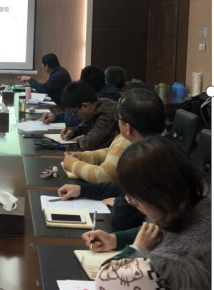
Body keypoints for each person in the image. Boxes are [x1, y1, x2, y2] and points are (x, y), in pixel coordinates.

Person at [81, 138, 210, 290]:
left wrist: (136, 248)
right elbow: (159, 231)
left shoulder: (179, 263)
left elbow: (106, 277)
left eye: (133, 198)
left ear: (155, 195)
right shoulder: (197, 206)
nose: (133, 203)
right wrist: (115, 238)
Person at [58, 87, 167, 229]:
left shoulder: (145, 158)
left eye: (118, 118)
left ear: (128, 128)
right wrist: (82, 189)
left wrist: (119, 202)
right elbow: (119, 183)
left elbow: (123, 214)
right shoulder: (161, 146)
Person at [41, 65, 119, 127]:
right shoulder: (101, 90)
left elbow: (72, 122)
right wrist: (56, 117)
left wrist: (71, 99)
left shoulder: (106, 99)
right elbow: (75, 112)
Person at [58, 81, 118, 150]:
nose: (75, 116)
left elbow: (88, 144)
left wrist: (79, 139)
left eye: (75, 113)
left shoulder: (106, 112)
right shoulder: (96, 106)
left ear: (85, 106)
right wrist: (72, 131)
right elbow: (84, 127)